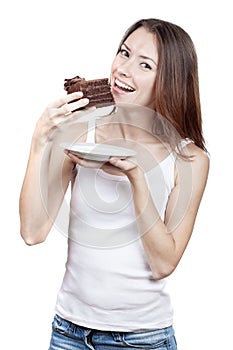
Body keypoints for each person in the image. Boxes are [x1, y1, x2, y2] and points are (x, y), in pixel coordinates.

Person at [19, 18, 209, 350]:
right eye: (124, 52)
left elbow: (164, 264)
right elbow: (32, 232)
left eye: (145, 64)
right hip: (69, 333)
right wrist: (39, 142)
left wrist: (138, 176)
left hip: (142, 339)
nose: (124, 69)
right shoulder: (81, 133)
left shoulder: (188, 159)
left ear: (169, 82)